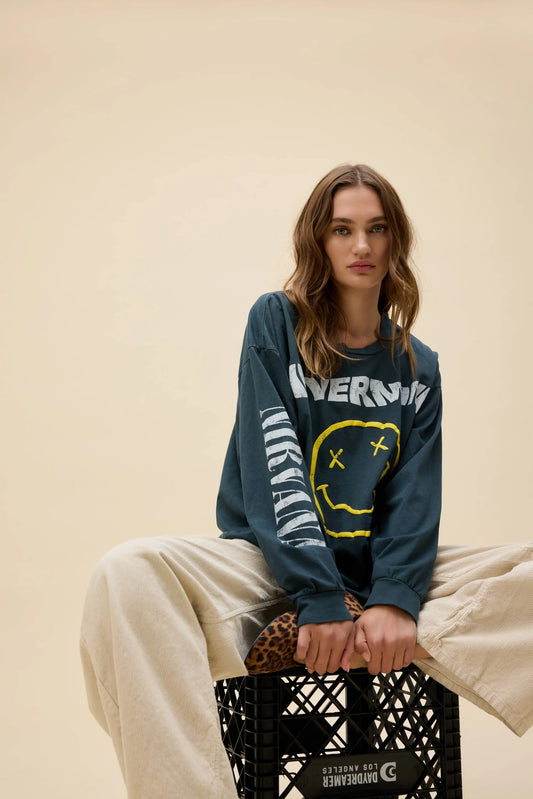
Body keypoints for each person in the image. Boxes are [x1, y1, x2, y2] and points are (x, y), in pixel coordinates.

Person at [80, 164, 533, 799]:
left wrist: (394, 596)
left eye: (377, 229)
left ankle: (383, 630)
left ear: (396, 241)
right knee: (126, 573)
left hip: (374, 568)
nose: (363, 246)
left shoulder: (417, 363)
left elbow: (414, 498)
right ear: (318, 242)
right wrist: (318, 596)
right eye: (342, 230)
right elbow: (276, 464)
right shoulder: (277, 323)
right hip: (269, 564)